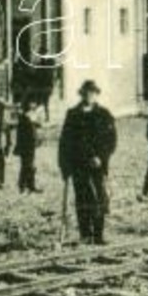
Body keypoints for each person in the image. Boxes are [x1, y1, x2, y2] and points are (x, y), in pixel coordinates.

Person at [58, 79, 117, 245]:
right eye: (86, 93)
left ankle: (98, 235)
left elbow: (111, 140)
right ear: (82, 94)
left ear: (96, 94)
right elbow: (65, 142)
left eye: (92, 93)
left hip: (97, 165)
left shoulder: (104, 115)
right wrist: (65, 167)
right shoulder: (73, 114)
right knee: (83, 200)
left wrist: (101, 157)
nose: (89, 96)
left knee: (100, 198)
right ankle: (85, 234)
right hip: (78, 165)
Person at [14, 101, 42, 194]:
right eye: (32, 104)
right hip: (26, 146)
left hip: (30, 146)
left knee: (30, 166)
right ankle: (23, 185)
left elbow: (35, 129)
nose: (34, 105)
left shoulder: (29, 117)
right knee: (27, 166)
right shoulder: (24, 118)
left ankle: (30, 185)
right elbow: (22, 134)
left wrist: (37, 141)